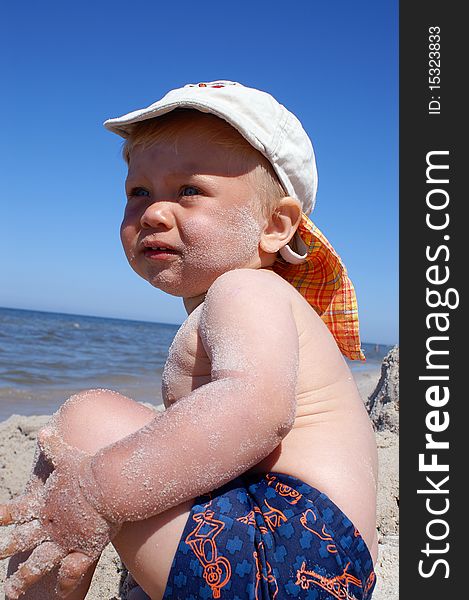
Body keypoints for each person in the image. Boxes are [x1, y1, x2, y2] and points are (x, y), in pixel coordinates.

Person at [0, 80, 378, 600]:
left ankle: (32, 590)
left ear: (275, 225)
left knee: (92, 420)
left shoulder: (245, 289)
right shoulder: (243, 304)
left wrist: (93, 494)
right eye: (139, 192)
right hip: (309, 563)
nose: (154, 212)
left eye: (188, 190)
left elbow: (257, 410)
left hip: (293, 550)